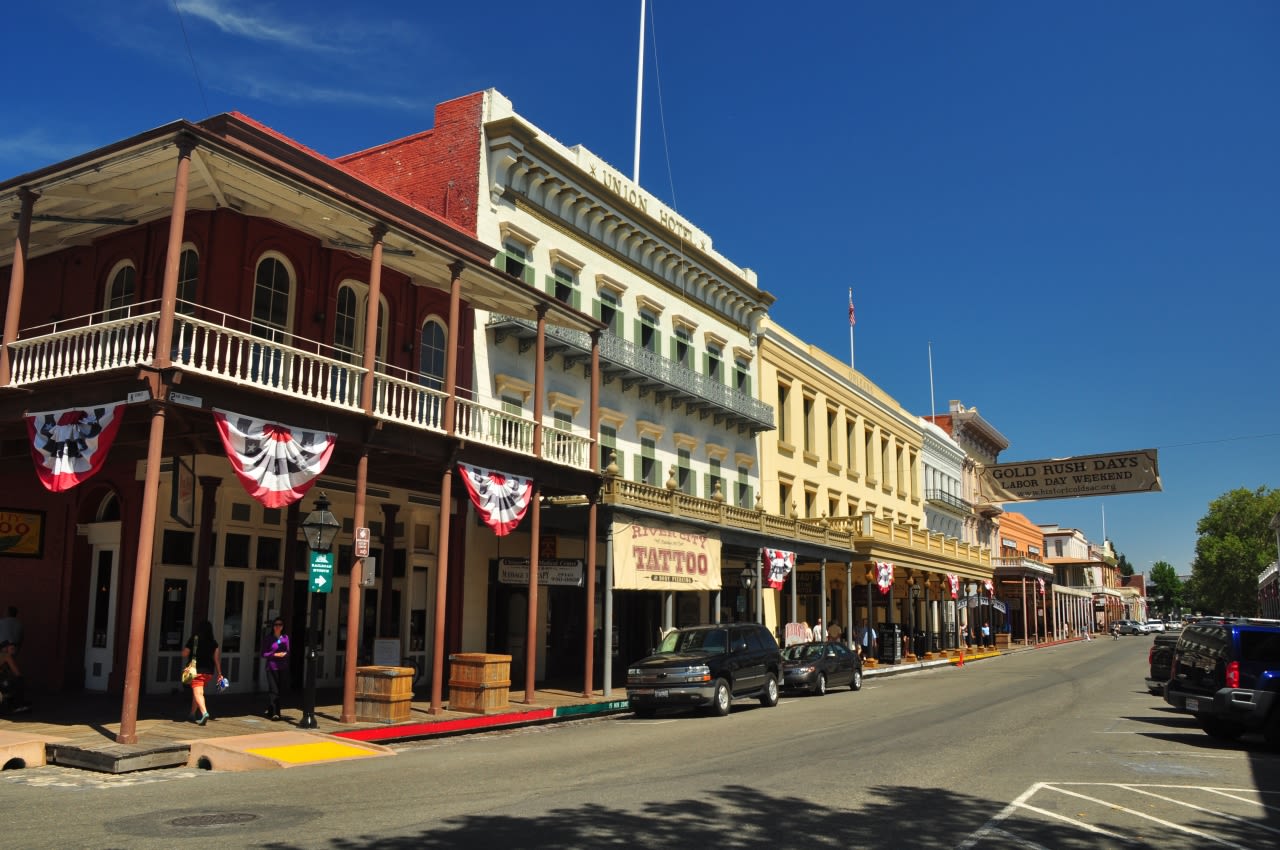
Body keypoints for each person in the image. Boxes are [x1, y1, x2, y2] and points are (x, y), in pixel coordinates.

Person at [182, 620, 222, 725]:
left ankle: (204, 713)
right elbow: (216, 659)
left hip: (196, 671)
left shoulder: (194, 639)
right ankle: (192, 714)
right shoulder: (214, 643)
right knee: (198, 692)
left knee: (198, 693)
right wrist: (219, 674)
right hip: (209, 671)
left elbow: (185, 654)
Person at [260, 617, 290, 721]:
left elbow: (288, 651)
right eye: (276, 625)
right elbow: (263, 654)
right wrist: (275, 654)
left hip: (282, 667)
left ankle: (270, 708)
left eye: (280, 625)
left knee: (279, 690)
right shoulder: (268, 638)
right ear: (273, 626)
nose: (278, 627)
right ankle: (276, 712)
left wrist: (284, 654)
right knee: (274, 690)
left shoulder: (285, 638)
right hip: (272, 667)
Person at [0, 639, 28, 714]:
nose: (14, 650)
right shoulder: (6, 656)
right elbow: (17, 673)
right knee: (19, 681)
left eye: (14, 648)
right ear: (5, 648)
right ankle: (17, 706)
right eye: (11, 648)